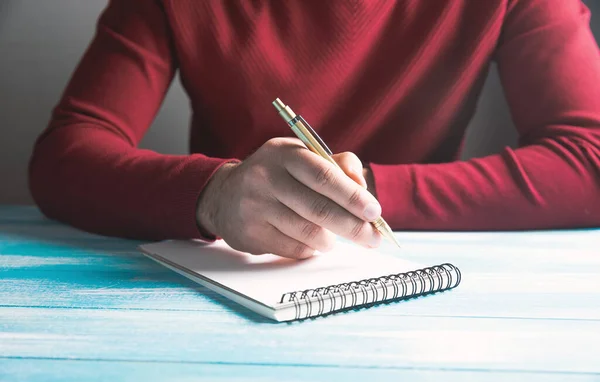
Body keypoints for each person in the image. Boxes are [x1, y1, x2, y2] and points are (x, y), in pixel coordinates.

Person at [29, 0, 600, 259]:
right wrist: (215, 195)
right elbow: (64, 156)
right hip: (229, 282)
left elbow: (590, 162)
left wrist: (362, 191)